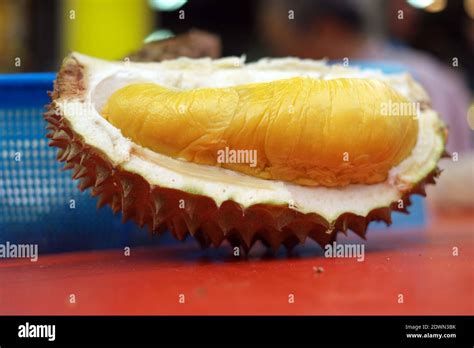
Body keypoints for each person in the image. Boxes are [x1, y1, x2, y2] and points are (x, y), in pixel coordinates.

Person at [258, 0, 472, 153]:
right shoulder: (433, 71)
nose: (284, 56)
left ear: (326, 28)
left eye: (285, 45)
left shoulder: (417, 79)